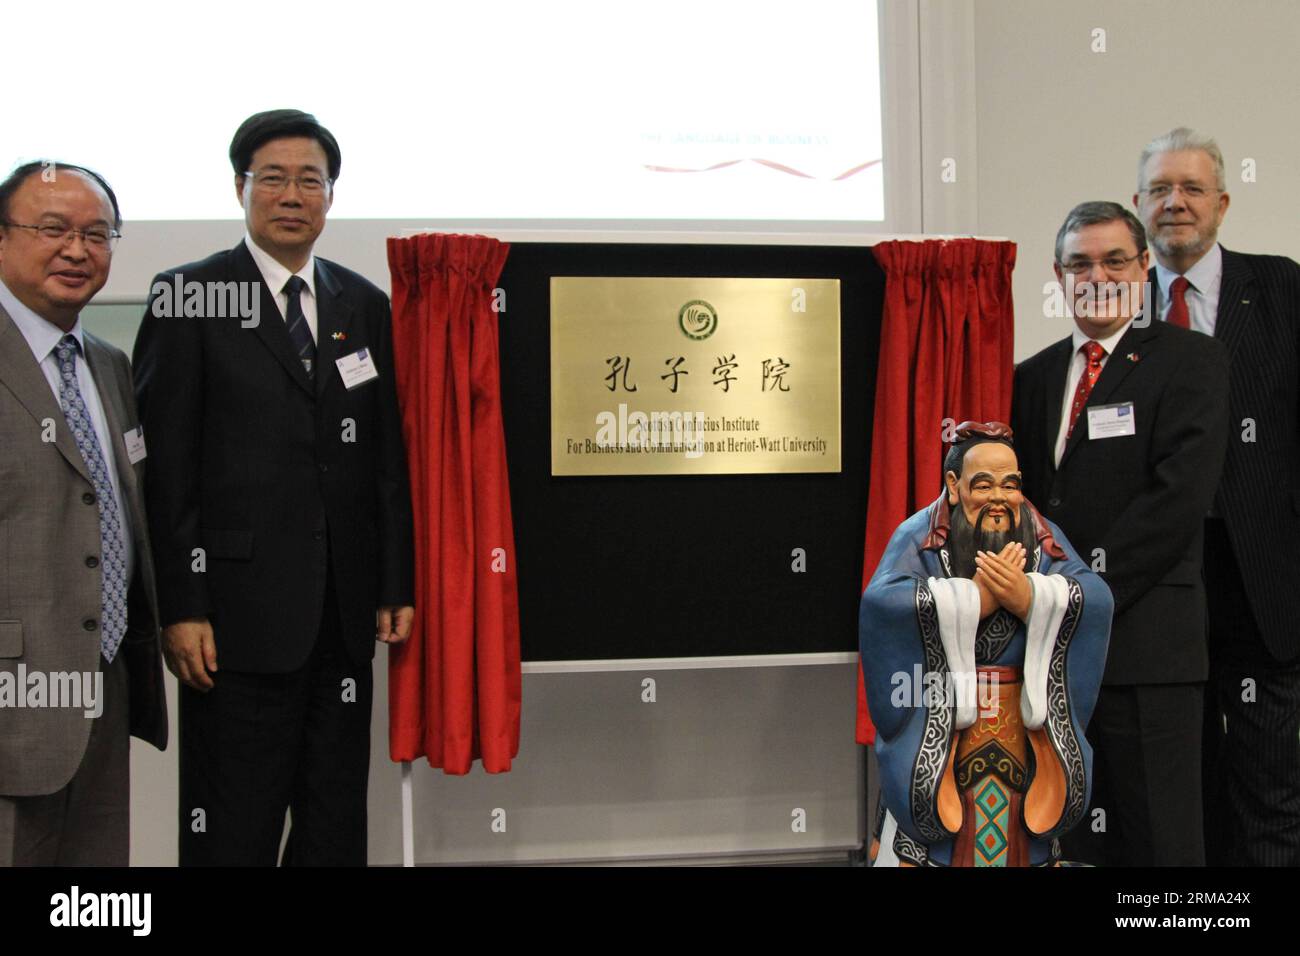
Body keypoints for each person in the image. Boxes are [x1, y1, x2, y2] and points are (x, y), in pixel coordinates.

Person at [133, 110, 415, 866]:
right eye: (275, 179)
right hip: (232, 622)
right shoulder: (188, 295)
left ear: (331, 196)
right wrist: (181, 606)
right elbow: (166, 470)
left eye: (310, 181)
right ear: (240, 188)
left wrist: (392, 580)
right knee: (233, 830)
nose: (293, 195)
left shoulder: (363, 305)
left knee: (333, 830)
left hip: (342, 619)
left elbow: (384, 459)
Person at [1011, 201, 1229, 865]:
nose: (1096, 274)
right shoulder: (1032, 376)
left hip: (1147, 651)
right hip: (1049, 659)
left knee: (1161, 843)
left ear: (1142, 269)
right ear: (1058, 274)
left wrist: (1081, 598)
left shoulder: (1192, 362)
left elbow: (1177, 501)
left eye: (1113, 260)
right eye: (1079, 263)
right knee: (1066, 840)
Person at [1134, 128, 1300, 866]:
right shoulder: (1115, 309)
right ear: (1140, 204)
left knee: (1273, 787)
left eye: (1192, 188)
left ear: (1223, 203)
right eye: (1161, 189)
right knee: (1177, 787)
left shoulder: (1284, 288)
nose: (1176, 203)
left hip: (1264, 587)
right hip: (1161, 590)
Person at [0, 161, 166, 865]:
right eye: (53, 229)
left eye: (98, 234)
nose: (77, 250)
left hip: (104, 684)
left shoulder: (106, 363)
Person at [861, 421, 1112, 867]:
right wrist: (970, 599)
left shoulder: (1042, 536)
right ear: (954, 487)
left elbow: (1094, 597)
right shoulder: (920, 536)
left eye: (1010, 485)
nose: (999, 497)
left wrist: (1032, 597)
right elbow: (883, 605)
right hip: (943, 738)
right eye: (984, 484)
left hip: (1023, 732)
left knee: (1019, 844)